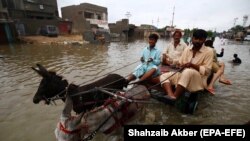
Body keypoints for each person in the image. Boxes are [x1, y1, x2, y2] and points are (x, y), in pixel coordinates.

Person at [159, 29, 214, 100]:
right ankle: (171, 95)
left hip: (198, 80)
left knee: (188, 71)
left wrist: (192, 65)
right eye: (196, 38)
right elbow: (180, 62)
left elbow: (207, 71)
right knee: (163, 76)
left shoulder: (209, 51)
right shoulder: (187, 49)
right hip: (183, 76)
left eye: (200, 39)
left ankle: (175, 96)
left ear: (204, 40)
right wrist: (171, 62)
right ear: (192, 38)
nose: (197, 41)